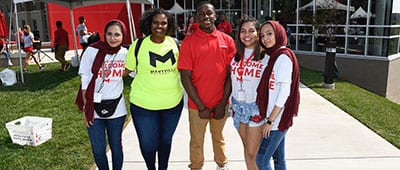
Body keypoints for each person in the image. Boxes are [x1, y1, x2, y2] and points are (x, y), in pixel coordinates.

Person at [178, 2, 236, 170]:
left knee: (218, 137)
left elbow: (230, 75)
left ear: (215, 16)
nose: (206, 16)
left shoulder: (227, 41)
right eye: (201, 14)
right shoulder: (189, 42)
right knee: (196, 140)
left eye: (209, 13)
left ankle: (222, 165)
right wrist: (201, 106)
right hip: (196, 105)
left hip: (220, 103)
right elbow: (185, 77)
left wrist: (222, 102)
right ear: (197, 18)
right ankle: (196, 167)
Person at [124, 8, 183, 170]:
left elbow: (186, 70)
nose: (159, 26)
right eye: (155, 22)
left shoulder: (175, 44)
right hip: (143, 105)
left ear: (168, 25)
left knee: (165, 141)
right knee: (148, 144)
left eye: (163, 23)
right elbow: (124, 71)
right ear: (148, 24)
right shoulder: (138, 45)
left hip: (172, 105)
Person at [75, 19, 128, 170]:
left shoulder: (125, 53)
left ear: (123, 36)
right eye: (109, 34)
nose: (113, 38)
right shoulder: (92, 51)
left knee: (116, 147)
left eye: (117, 34)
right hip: (93, 107)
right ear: (104, 34)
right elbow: (85, 82)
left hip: (117, 108)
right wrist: (87, 109)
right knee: (98, 150)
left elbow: (135, 73)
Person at [255, 20, 300, 170]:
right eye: (262, 35)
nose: (265, 38)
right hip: (276, 119)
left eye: (269, 34)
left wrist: (270, 121)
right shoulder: (274, 56)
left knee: (261, 160)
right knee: (279, 159)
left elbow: (284, 93)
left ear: (279, 34)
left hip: (277, 121)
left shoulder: (283, 58)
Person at [229, 15, 267, 170]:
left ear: (258, 33)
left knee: (253, 152)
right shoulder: (235, 56)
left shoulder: (266, 57)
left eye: (251, 31)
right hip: (237, 107)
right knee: (247, 149)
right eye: (243, 31)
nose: (247, 35)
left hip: (255, 108)